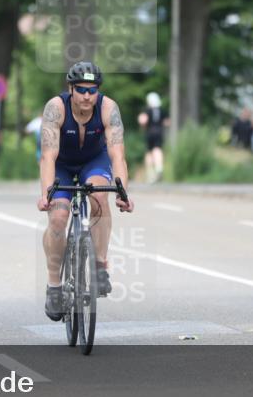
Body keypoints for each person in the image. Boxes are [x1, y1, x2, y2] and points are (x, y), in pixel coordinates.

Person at [37, 61, 134, 321]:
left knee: (100, 196)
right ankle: (54, 285)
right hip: (62, 164)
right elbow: (48, 156)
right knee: (58, 217)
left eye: (93, 90)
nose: (87, 96)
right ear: (71, 88)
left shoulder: (108, 108)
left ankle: (100, 265)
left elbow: (117, 155)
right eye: (81, 90)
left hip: (95, 161)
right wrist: (47, 193)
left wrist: (122, 193)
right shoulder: (55, 108)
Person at [137, 92, 169, 183]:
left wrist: (143, 126)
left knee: (149, 152)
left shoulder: (147, 110)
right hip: (159, 132)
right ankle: (159, 168)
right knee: (158, 149)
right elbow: (167, 122)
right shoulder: (162, 110)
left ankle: (150, 173)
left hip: (150, 132)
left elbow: (142, 120)